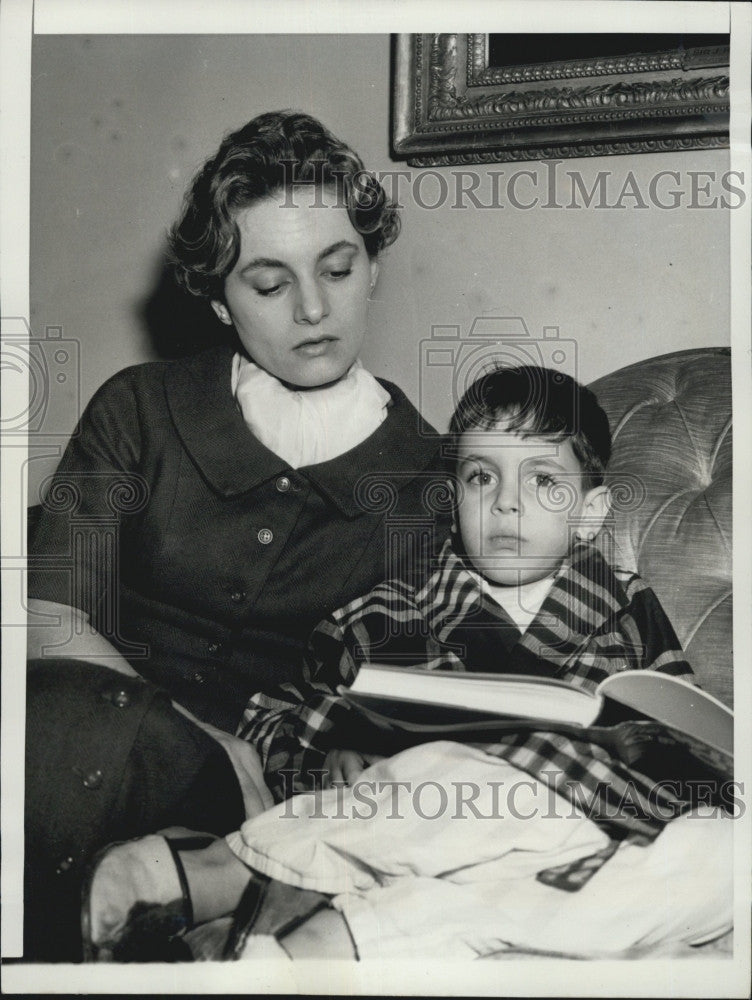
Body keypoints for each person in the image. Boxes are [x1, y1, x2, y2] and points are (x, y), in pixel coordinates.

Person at [83, 366, 731, 962]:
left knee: (714, 853)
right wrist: (346, 740)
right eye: (482, 477)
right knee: (451, 779)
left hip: (585, 817)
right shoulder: (400, 605)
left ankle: (267, 930)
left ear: (590, 513)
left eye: (542, 481)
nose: (506, 503)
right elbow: (296, 707)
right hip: (438, 797)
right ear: (453, 496)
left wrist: (692, 752)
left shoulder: (625, 604)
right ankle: (219, 881)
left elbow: (681, 716)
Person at [24, 110, 447, 961]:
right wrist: (200, 736)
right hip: (73, 735)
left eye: (338, 266)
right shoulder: (139, 408)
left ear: (373, 269)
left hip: (270, 801)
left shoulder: (434, 481)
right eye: (269, 283)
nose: (315, 307)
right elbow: (45, 617)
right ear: (218, 299)